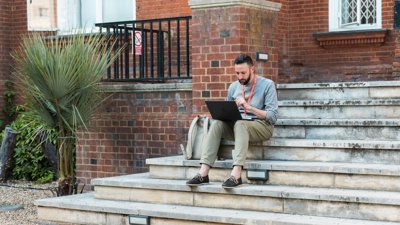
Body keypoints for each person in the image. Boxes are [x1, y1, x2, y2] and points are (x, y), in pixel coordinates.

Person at [186, 54, 278, 188]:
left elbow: (273, 117)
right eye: (237, 73)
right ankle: (203, 173)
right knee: (217, 123)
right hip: (238, 126)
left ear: (252, 69)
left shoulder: (268, 85)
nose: (240, 77)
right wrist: (219, 115)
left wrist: (249, 107)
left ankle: (236, 175)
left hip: (261, 126)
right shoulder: (233, 87)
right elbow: (228, 111)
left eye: (243, 73)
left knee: (241, 124)